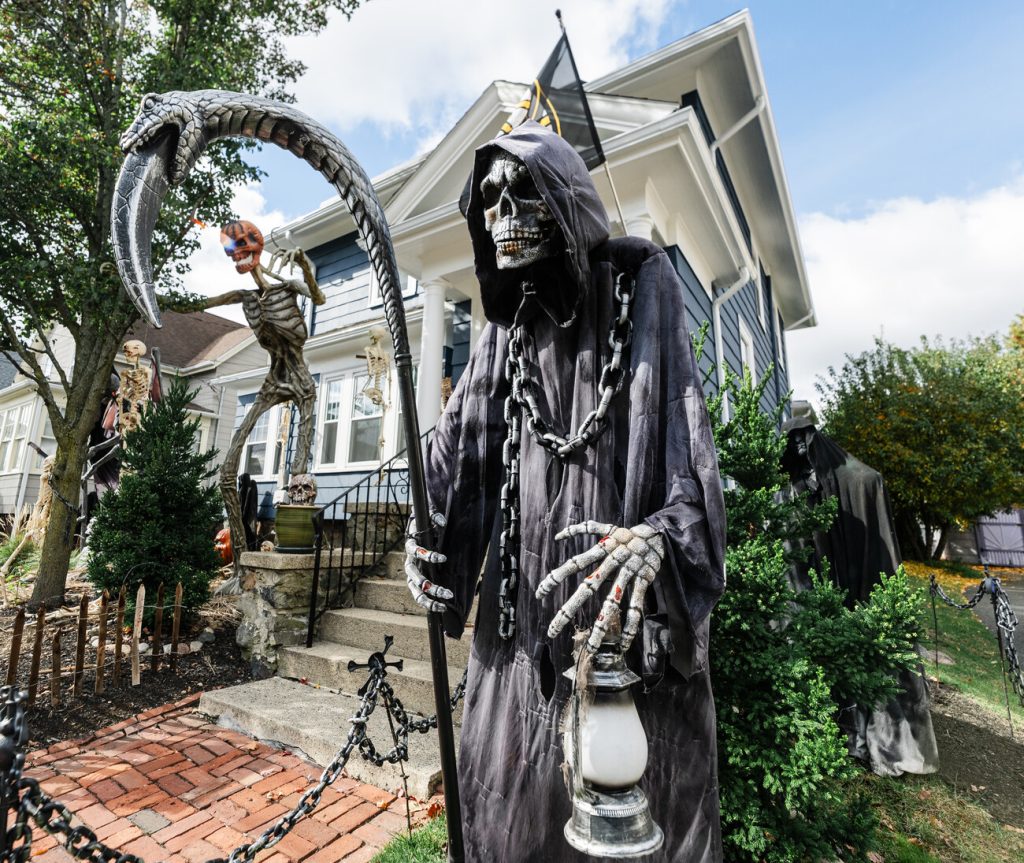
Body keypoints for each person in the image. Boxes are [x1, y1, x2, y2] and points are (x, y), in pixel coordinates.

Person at [406, 121, 727, 862]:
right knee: (510, 814)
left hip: (616, 637)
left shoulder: (640, 283)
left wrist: (659, 540)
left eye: (523, 193)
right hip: (518, 630)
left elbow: (690, 460)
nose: (501, 215)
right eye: (490, 200)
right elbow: (461, 453)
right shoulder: (505, 329)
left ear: (565, 200)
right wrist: (426, 542)